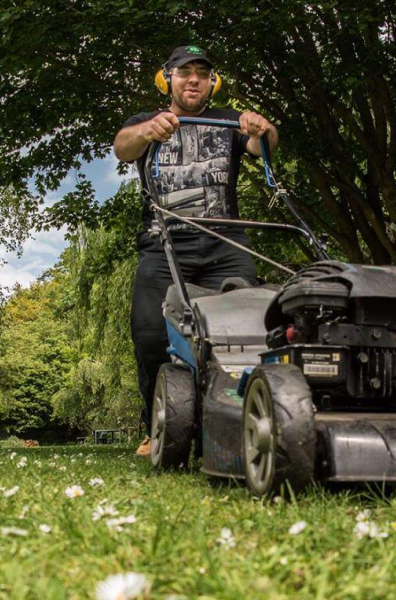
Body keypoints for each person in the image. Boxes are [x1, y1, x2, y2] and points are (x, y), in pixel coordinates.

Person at [112, 45, 278, 456]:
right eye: (184, 72)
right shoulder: (145, 122)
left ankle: (245, 419)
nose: (193, 80)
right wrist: (149, 131)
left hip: (225, 243)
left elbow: (264, 146)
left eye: (202, 74)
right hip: (162, 244)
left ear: (212, 83)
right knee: (150, 334)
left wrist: (261, 128)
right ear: (166, 78)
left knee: (251, 330)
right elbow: (122, 146)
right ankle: (157, 427)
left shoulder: (228, 122)